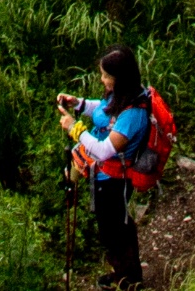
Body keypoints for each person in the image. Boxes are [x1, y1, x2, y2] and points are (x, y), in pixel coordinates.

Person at [61, 46, 156, 286]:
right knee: (115, 227)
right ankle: (124, 274)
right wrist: (79, 104)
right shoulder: (124, 95)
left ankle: (127, 280)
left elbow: (104, 149)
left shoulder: (133, 115)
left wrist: (75, 128)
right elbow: (103, 111)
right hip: (104, 177)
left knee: (113, 232)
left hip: (115, 182)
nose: (102, 79)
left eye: (106, 76)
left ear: (119, 78)